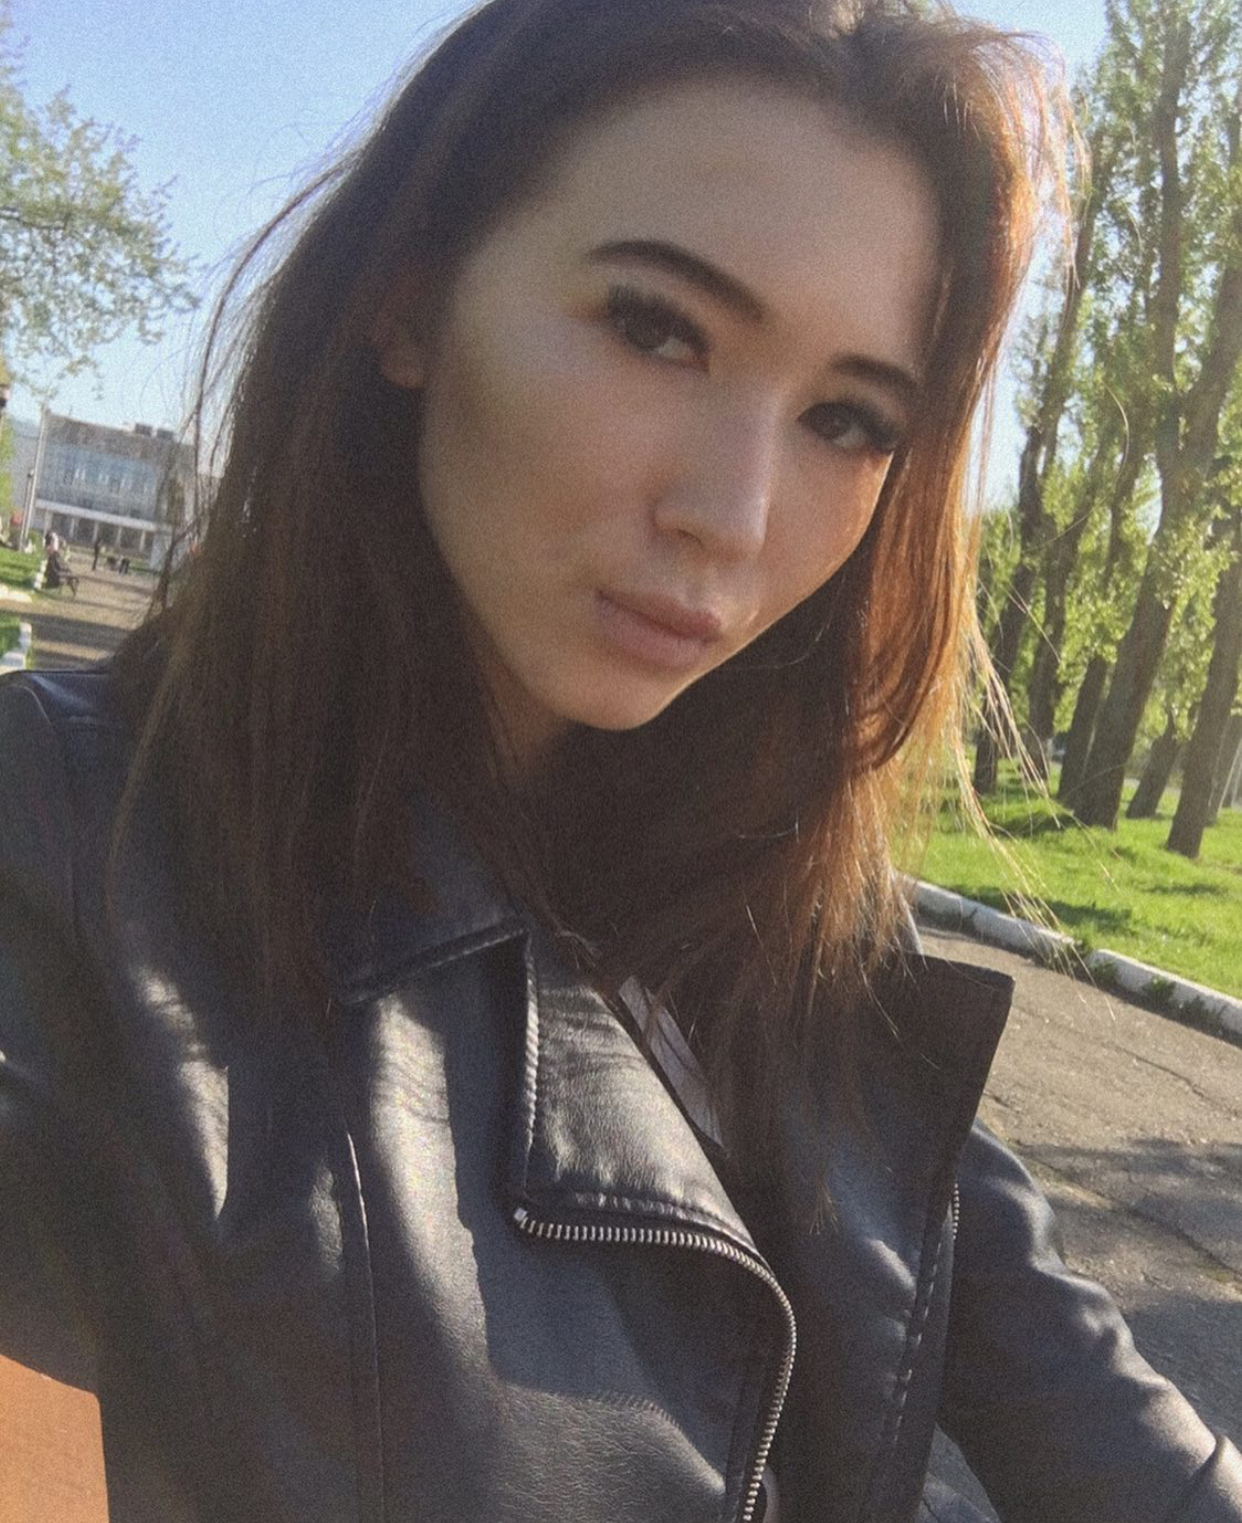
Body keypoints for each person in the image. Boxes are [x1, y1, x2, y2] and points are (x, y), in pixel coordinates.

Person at [0, 1, 1239, 1520]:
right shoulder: (58, 862)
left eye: (847, 419)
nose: (733, 514)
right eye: (658, 330)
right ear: (410, 294)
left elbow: (1105, 1424)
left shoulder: (787, 933)